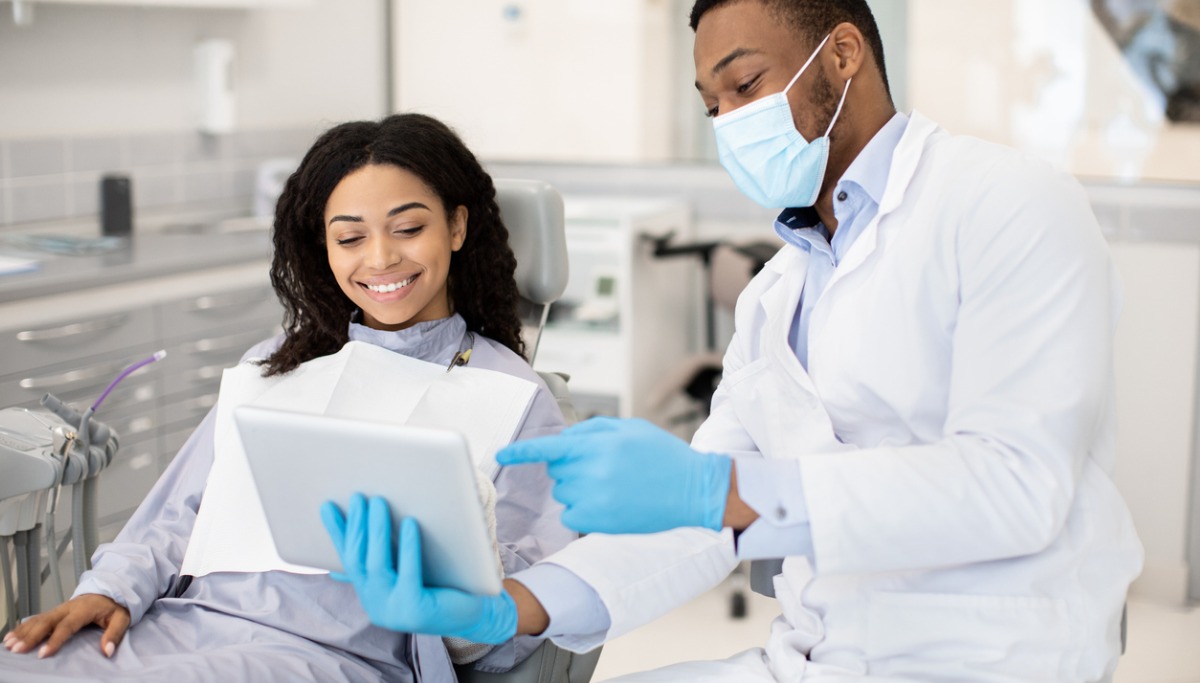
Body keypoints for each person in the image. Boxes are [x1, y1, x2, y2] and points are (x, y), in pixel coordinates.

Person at [325, 1, 1144, 681]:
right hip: (815, 655)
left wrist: (719, 491)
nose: (728, 122)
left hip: (994, 656)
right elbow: (696, 528)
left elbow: (1014, 486)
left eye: (745, 84)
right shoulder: (775, 294)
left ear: (843, 55)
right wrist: (513, 605)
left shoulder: (1007, 204)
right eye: (712, 105)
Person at [0, 113, 574, 683]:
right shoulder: (278, 361)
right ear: (324, 247)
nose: (379, 259)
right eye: (350, 237)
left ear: (455, 227)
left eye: (407, 228)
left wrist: (457, 582)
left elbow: (505, 635)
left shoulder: (514, 399)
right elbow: (179, 513)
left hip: (329, 657)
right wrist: (109, 591)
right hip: (175, 627)